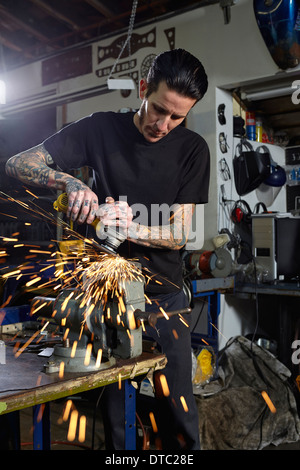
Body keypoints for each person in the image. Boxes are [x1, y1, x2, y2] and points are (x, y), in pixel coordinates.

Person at [5, 48, 210, 450]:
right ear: (143, 88)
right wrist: (68, 182)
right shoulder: (98, 129)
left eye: (177, 116)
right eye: (158, 110)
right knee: (119, 418)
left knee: (179, 414)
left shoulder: (192, 150)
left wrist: (126, 225)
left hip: (165, 300)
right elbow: (18, 162)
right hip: (110, 299)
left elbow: (181, 233)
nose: (164, 124)